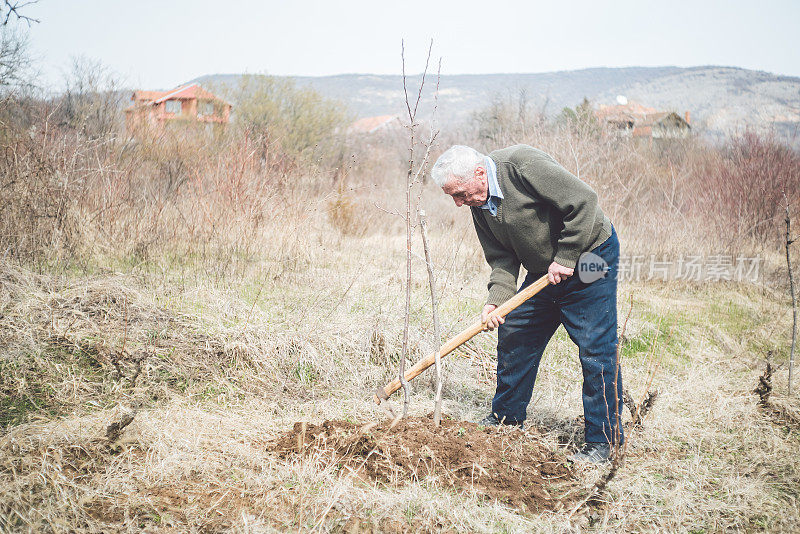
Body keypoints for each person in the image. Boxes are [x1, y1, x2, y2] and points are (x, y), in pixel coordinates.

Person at [430, 144, 623, 464]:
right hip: (544, 271)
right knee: (516, 331)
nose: (458, 203)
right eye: (452, 196)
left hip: (590, 256)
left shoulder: (521, 166)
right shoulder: (480, 204)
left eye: (460, 194)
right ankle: (506, 418)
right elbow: (502, 258)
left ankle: (604, 442)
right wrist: (497, 302)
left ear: (480, 173)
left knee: (595, 346)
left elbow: (584, 200)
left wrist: (566, 257)